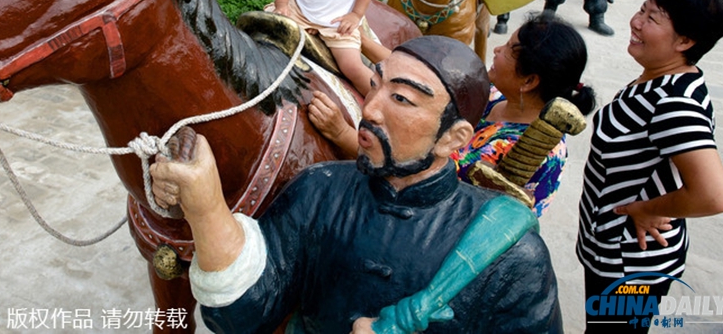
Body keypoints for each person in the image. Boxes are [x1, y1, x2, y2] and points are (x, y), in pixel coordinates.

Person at [150, 36, 564, 334]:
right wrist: (206, 210)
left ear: (453, 138)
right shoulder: (317, 189)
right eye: (374, 86)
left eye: (401, 99)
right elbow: (244, 317)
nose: (371, 109)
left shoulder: (513, 258)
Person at [577, 0, 723, 333]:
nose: (636, 21)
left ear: (685, 41)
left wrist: (647, 209)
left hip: (629, 262)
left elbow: (715, 196)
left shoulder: (674, 104)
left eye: (653, 18)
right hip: (613, 248)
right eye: (641, 10)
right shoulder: (664, 79)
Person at [452, 13, 596, 217]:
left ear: (529, 81)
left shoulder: (528, 149)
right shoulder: (495, 94)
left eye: (509, 49)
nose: (496, 49)